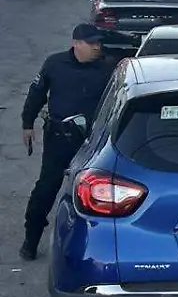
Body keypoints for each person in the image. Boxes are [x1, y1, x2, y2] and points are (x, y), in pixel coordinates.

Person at [19, 24, 117, 260]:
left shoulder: (108, 67)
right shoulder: (55, 64)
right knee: (46, 188)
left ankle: (94, 246)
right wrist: (27, 123)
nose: (97, 47)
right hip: (59, 138)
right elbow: (36, 94)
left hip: (92, 141)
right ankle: (31, 239)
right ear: (76, 43)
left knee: (95, 192)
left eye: (98, 42)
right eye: (91, 43)